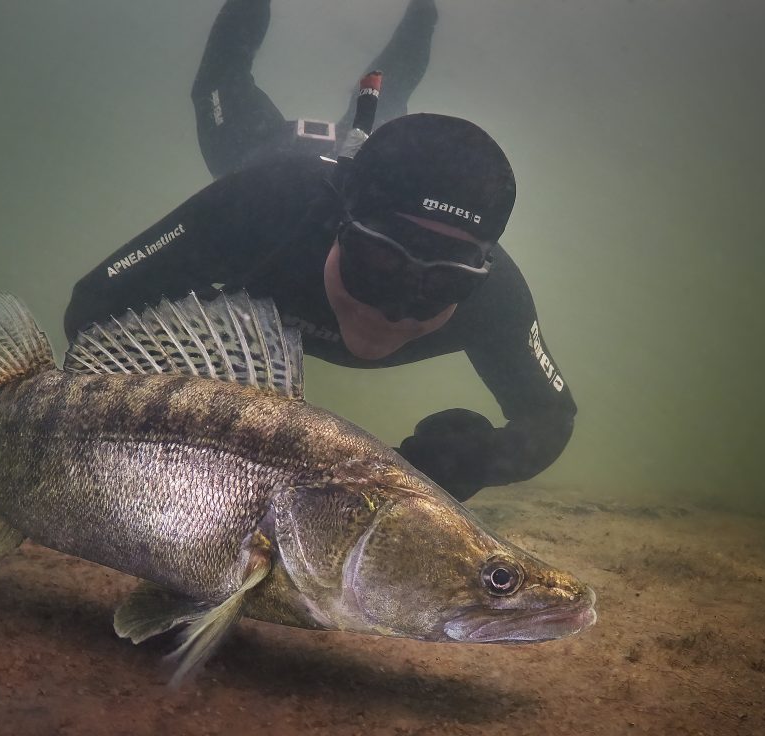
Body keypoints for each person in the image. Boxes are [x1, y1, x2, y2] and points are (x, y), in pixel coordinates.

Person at [63, 7, 575, 503]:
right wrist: (184, 404)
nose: (395, 311)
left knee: (383, 100)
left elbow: (549, 418)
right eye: (378, 263)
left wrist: (476, 460)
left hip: (380, 171)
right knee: (221, 80)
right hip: (269, 149)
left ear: (477, 275)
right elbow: (94, 307)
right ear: (338, 225)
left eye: (443, 285)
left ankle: (424, 10)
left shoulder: (494, 295)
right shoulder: (265, 208)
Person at [192, 0, 438, 178]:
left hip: (254, 168)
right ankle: (423, 9)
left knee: (217, 80)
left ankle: (423, 9)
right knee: (384, 94)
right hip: (337, 173)